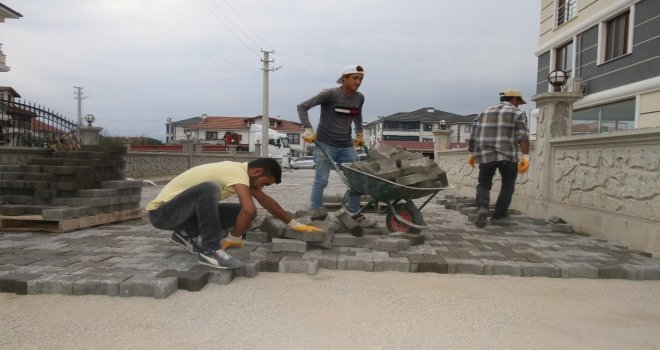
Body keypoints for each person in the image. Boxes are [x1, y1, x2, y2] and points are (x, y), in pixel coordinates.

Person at [147, 158, 321, 269]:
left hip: (180, 216)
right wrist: (234, 237)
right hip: (162, 214)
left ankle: (185, 234)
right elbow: (249, 209)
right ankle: (210, 250)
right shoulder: (235, 172)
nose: (260, 188)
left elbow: (265, 201)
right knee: (209, 189)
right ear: (257, 172)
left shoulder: (244, 175)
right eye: (264, 183)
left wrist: (294, 224)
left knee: (237, 212)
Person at [297, 64, 376, 228]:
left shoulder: (359, 98)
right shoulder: (330, 94)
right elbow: (302, 106)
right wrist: (308, 128)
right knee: (321, 180)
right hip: (325, 143)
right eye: (355, 78)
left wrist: (359, 133)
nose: (358, 82)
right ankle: (316, 213)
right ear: (344, 78)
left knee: (356, 179)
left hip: (346, 145)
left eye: (361, 79)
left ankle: (353, 214)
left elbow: (357, 115)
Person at [467, 89, 530, 228]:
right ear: (514, 99)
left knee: (483, 183)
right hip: (507, 155)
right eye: (518, 102)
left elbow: (474, 133)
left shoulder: (484, 112)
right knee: (507, 185)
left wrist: (471, 153)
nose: (518, 105)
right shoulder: (517, 113)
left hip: (486, 155)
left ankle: (482, 207)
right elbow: (522, 136)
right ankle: (499, 216)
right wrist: (526, 156)